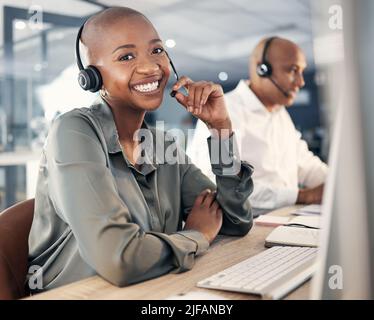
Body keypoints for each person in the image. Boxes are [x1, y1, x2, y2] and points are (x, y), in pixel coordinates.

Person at [27, 7, 254, 292]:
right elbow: (119, 259)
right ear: (91, 78)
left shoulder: (162, 145)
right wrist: (197, 235)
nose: (150, 67)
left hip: (151, 289)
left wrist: (220, 128)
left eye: (157, 51)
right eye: (126, 56)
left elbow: (234, 222)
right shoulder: (73, 132)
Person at [188, 37, 328, 216]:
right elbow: (216, 184)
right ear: (262, 69)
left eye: (302, 71)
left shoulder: (280, 113)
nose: (301, 82)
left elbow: (305, 164)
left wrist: (338, 181)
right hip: (244, 226)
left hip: (284, 219)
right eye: (293, 70)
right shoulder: (224, 112)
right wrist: (303, 196)